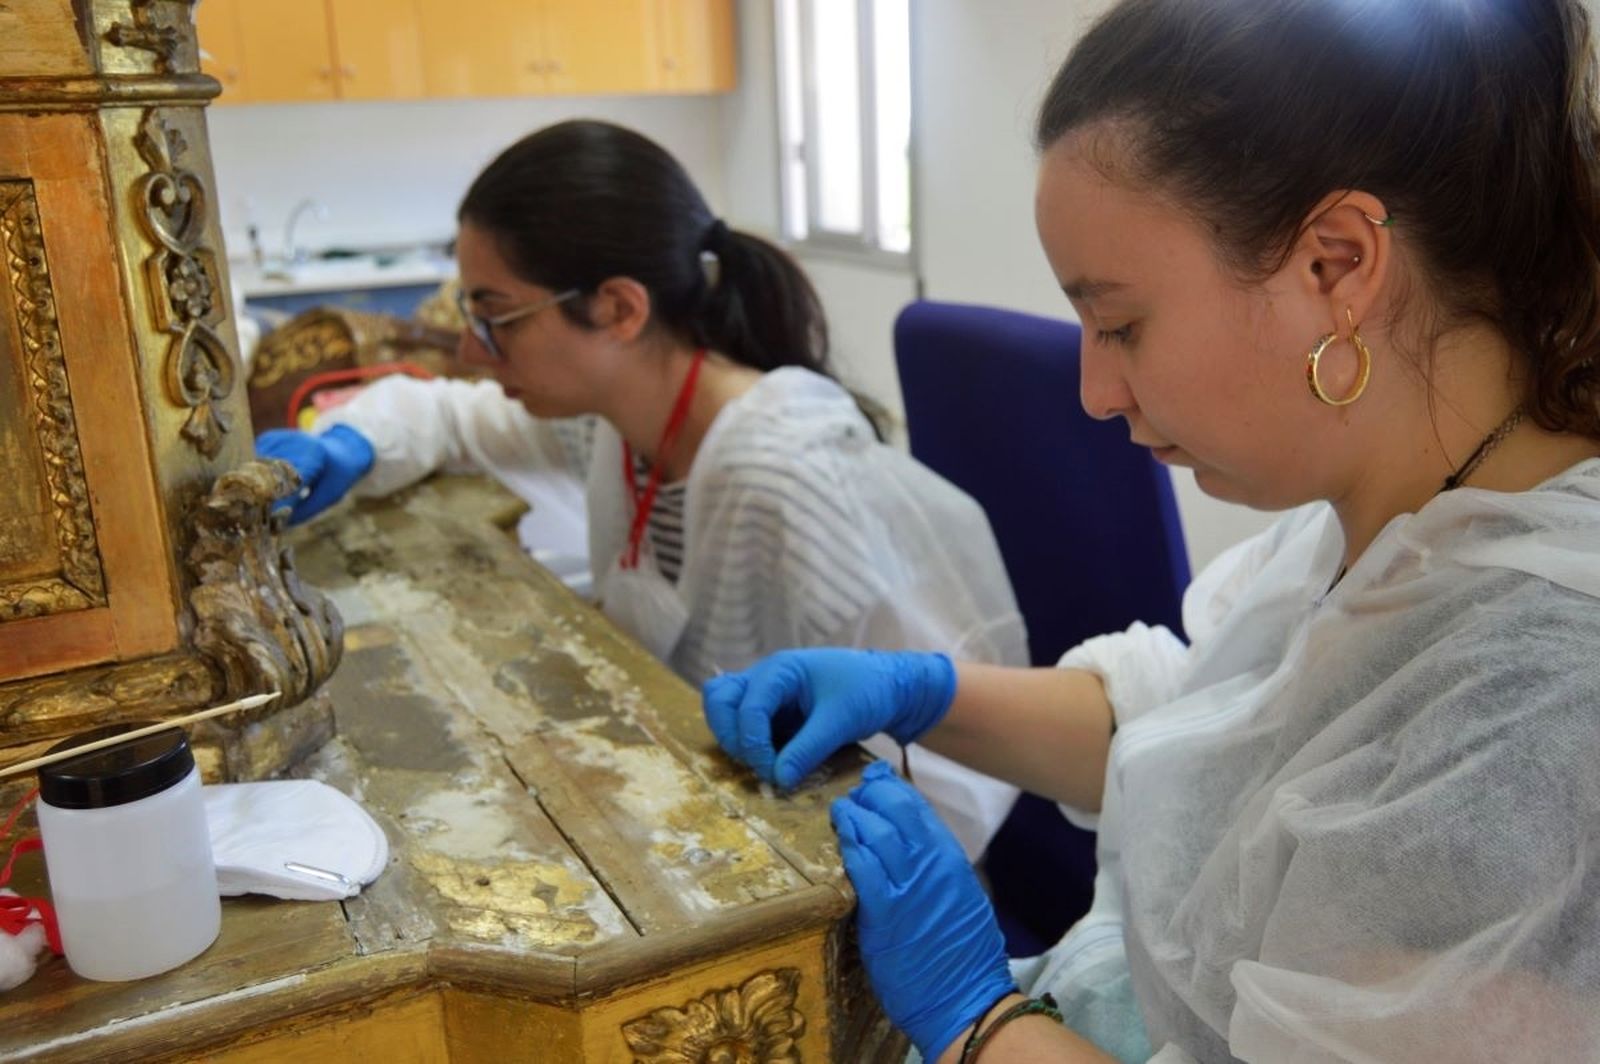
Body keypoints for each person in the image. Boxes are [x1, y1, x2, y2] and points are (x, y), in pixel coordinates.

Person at [701, 0, 1600, 1060]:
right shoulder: (1401, 512)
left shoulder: (1533, 697)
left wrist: (975, 1020)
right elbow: (1218, 723)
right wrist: (925, 691)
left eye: (1121, 324)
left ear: (1338, 264)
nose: (1092, 388)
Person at [254, 120, 1027, 860]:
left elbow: (954, 769)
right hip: (717, 801)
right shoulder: (619, 419)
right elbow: (446, 413)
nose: (471, 351)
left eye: (496, 318)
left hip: (870, 879)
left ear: (619, 309)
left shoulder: (786, 481)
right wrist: (347, 444)